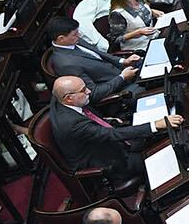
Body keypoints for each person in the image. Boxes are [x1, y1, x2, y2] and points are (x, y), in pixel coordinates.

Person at [48, 75, 180, 185]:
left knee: (160, 137)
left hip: (106, 141)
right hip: (109, 162)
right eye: (83, 90)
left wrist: (104, 119)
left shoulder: (59, 97)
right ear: (69, 98)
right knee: (167, 158)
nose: (89, 91)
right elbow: (112, 134)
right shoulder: (72, 123)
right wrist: (155, 125)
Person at [47, 15, 141, 105]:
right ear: (61, 39)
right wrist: (122, 77)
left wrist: (123, 61)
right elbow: (93, 93)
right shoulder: (66, 65)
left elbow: (100, 54)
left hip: (123, 71)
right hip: (120, 89)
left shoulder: (73, 40)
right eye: (75, 34)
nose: (79, 35)